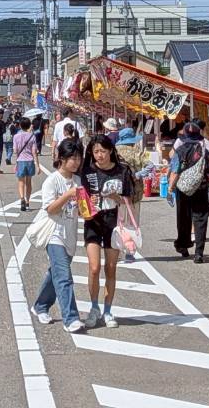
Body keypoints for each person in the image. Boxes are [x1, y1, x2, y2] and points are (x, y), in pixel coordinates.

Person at [33, 138, 86, 333]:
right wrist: (67, 195)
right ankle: (70, 318)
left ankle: (40, 305)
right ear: (61, 159)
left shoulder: (78, 181)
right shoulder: (52, 181)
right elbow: (50, 209)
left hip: (70, 233)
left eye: (78, 158)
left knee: (54, 273)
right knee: (64, 276)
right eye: (72, 158)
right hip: (54, 234)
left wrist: (88, 205)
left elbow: (79, 210)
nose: (76, 162)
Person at [81, 134, 131, 328]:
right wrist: (87, 203)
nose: (99, 155)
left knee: (111, 268)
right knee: (94, 267)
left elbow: (128, 200)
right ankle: (94, 308)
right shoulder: (88, 171)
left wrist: (115, 197)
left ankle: (108, 311)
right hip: (93, 222)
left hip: (114, 222)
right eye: (95, 152)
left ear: (110, 150)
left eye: (102, 151)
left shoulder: (122, 171)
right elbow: (81, 200)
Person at [168, 121, 209, 263]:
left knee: (183, 217)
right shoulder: (203, 147)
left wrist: (170, 188)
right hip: (200, 187)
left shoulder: (180, 150)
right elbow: (208, 167)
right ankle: (199, 253)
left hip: (182, 189)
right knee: (200, 219)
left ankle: (183, 246)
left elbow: (175, 171)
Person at [13, 118, 39, 211]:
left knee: (21, 182)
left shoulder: (16, 136)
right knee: (28, 182)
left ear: (20, 125)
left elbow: (15, 151)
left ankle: (22, 199)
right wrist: (37, 165)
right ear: (29, 126)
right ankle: (28, 202)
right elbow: (34, 152)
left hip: (20, 161)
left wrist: (15, 163)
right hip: (30, 161)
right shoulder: (32, 136)